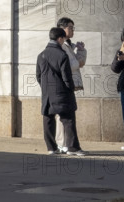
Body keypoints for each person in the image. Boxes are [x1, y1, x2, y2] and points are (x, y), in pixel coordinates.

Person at [36, 27, 86, 156]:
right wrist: (70, 88)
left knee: (48, 119)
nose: (64, 41)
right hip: (62, 92)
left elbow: (38, 76)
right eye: (63, 39)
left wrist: (46, 87)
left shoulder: (41, 55)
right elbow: (66, 76)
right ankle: (72, 148)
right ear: (60, 39)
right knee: (68, 120)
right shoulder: (62, 55)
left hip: (47, 94)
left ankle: (51, 148)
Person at [54, 17, 87, 153]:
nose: (73, 30)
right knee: (62, 116)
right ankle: (62, 144)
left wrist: (81, 51)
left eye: (73, 27)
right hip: (62, 85)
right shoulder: (59, 45)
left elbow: (80, 63)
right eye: (70, 27)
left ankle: (65, 144)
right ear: (62, 28)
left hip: (69, 84)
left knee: (66, 116)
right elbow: (67, 65)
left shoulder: (67, 44)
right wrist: (77, 61)